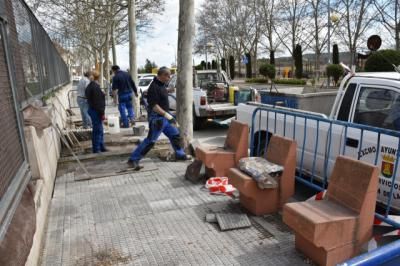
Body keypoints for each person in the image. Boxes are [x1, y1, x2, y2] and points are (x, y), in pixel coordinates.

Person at [128, 67, 190, 170]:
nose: (169, 77)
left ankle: (180, 154)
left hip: (164, 118)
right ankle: (133, 160)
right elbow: (154, 106)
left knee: (175, 136)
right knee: (150, 141)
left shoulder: (161, 85)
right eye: (167, 75)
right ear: (161, 75)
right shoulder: (154, 87)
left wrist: (168, 90)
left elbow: (161, 93)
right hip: (157, 119)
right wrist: (167, 115)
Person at [85, 71, 107, 153]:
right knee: (97, 130)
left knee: (99, 129)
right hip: (96, 111)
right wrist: (102, 113)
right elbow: (98, 102)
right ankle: (97, 148)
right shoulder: (95, 87)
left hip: (93, 109)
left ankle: (100, 146)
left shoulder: (91, 86)